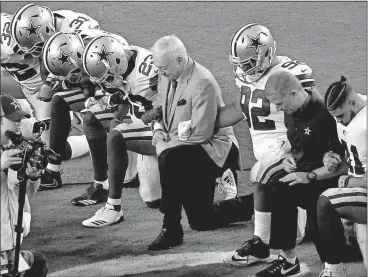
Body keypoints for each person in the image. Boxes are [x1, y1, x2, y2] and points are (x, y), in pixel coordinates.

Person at [219, 23, 324, 266]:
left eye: (247, 63)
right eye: (239, 64)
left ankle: (277, 250)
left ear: (265, 54)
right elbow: (238, 108)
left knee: (263, 176)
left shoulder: (292, 73)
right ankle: (263, 242)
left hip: (294, 152)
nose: (243, 69)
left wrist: (296, 141)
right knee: (261, 174)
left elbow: (319, 112)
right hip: (270, 155)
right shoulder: (246, 78)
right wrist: (204, 126)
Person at [146, 35, 253, 251]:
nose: (160, 73)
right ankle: (259, 202)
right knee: (202, 221)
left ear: (179, 60)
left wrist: (168, 143)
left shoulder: (202, 82)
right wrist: (158, 124)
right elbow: (161, 101)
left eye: (163, 68)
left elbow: (201, 134)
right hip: (186, 147)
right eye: (158, 68)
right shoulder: (168, 73)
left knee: (169, 160)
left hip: (213, 149)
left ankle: (171, 228)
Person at [243, 71, 348, 277]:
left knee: (321, 212)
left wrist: (309, 176)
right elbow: (297, 141)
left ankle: (335, 268)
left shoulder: (325, 116)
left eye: (280, 103)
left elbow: (341, 163)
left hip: (327, 179)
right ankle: (288, 261)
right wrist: (288, 158)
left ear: (294, 93)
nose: (277, 108)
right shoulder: (291, 111)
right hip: (306, 175)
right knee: (279, 187)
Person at [3, 4, 101, 189]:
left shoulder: (78, 32)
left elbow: (97, 70)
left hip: (69, 85)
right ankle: (86, 133)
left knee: (50, 149)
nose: (27, 53)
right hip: (29, 86)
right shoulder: (9, 37)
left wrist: (59, 85)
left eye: (34, 48)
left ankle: (90, 138)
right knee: (30, 139)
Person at [39, 30, 143, 200]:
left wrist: (94, 101)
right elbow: (81, 80)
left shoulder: (107, 57)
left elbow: (116, 90)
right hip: (108, 83)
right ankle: (53, 171)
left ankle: (109, 182)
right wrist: (53, 84)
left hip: (127, 92)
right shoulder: (71, 47)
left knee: (91, 117)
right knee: (60, 101)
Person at [317, 76, 367, 277]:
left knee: (326, 201)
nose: (338, 121)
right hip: (361, 190)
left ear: (352, 103)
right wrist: (330, 156)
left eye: (340, 115)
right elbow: (350, 153)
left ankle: (334, 271)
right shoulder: (354, 112)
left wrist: (348, 181)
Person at [1, 94, 48, 277]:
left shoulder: (11, 150)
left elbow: (23, 192)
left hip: (10, 244)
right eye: (12, 120)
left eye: (20, 118)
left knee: (37, 263)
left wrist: (33, 178)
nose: (18, 124)